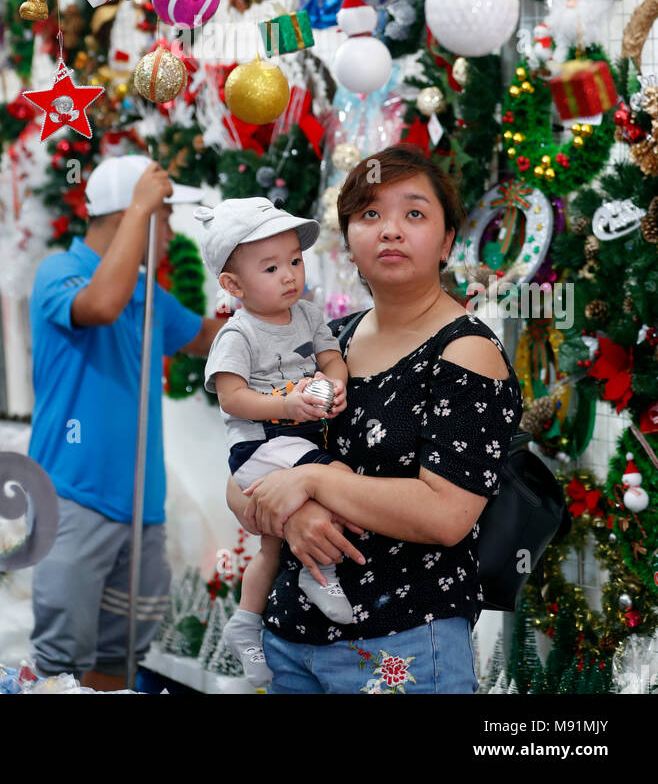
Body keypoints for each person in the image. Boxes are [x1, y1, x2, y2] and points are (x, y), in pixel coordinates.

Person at [228, 146, 523, 695]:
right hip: (291, 643)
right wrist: (293, 515)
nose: (390, 230)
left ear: (448, 242)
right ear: (349, 240)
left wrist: (314, 481)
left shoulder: (465, 352)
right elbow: (245, 470)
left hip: (402, 646)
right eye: (369, 214)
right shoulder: (326, 342)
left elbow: (446, 515)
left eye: (414, 213)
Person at [29, 155, 222, 691]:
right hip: (73, 496)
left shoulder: (145, 292)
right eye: (163, 213)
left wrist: (270, 302)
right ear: (128, 214)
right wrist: (141, 210)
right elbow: (101, 306)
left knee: (121, 657)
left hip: (141, 507)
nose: (168, 232)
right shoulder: (58, 272)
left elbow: (202, 336)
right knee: (60, 659)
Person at [197, 197, 350, 688]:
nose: (289, 275)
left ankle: (244, 623)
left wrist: (338, 382)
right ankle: (317, 572)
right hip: (260, 444)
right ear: (233, 285)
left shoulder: (307, 315)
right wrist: (286, 404)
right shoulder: (237, 334)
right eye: (271, 267)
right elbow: (233, 398)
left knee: (268, 547)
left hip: (297, 438)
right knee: (340, 482)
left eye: (295, 261)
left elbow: (329, 358)